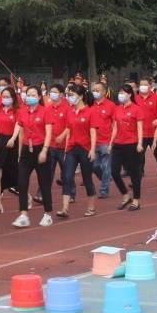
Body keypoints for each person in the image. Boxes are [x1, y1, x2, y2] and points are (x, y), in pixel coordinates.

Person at [10, 85, 54, 227]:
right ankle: (23, 215)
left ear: (39, 97)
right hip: (26, 150)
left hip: (41, 148)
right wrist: (13, 138)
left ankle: (47, 213)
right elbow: (19, 125)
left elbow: (49, 132)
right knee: (22, 183)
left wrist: (45, 150)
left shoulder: (45, 111)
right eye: (28, 94)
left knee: (44, 183)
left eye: (33, 94)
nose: (29, 97)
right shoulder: (22, 111)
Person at [59, 84, 98, 218]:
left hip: (85, 149)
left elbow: (93, 132)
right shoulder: (69, 112)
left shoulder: (90, 112)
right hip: (71, 149)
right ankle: (64, 209)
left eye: (72, 95)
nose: (69, 98)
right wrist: (62, 141)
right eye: (68, 95)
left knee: (87, 179)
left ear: (81, 96)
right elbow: (68, 129)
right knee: (67, 177)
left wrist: (93, 150)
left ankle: (91, 207)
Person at [109, 84, 145, 211]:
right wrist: (111, 143)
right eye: (120, 92)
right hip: (119, 144)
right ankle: (125, 195)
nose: (121, 95)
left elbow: (140, 128)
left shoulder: (137, 109)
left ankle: (136, 200)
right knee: (114, 171)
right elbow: (115, 127)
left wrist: (140, 143)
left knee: (134, 172)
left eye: (123, 93)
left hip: (132, 144)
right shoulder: (117, 109)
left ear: (130, 94)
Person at [0, 84, 19, 214]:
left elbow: (18, 126)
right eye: (3, 96)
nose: (5, 99)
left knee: (15, 175)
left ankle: (26, 196)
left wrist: (13, 138)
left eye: (8, 96)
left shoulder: (17, 111)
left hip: (12, 143)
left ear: (13, 98)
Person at [134, 78, 157, 188]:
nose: (143, 86)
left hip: (154, 133)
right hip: (141, 134)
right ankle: (136, 179)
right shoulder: (135, 98)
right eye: (141, 84)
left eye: (145, 84)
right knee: (138, 157)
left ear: (150, 86)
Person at [88, 84, 115, 199]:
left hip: (106, 141)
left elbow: (115, 124)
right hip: (93, 142)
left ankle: (104, 190)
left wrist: (112, 141)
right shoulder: (90, 106)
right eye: (93, 90)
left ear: (104, 92)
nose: (95, 92)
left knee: (106, 167)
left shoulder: (111, 105)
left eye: (97, 90)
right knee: (94, 166)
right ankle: (107, 179)